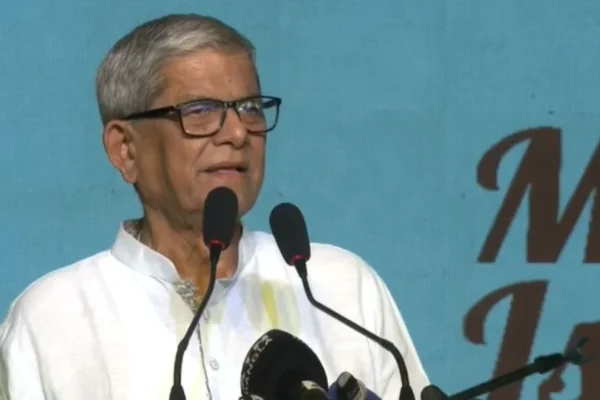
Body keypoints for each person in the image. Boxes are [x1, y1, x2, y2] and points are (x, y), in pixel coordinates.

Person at [0, 14, 429, 399]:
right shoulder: (53, 319)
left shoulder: (340, 288)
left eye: (251, 108)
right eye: (200, 110)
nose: (238, 133)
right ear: (125, 149)